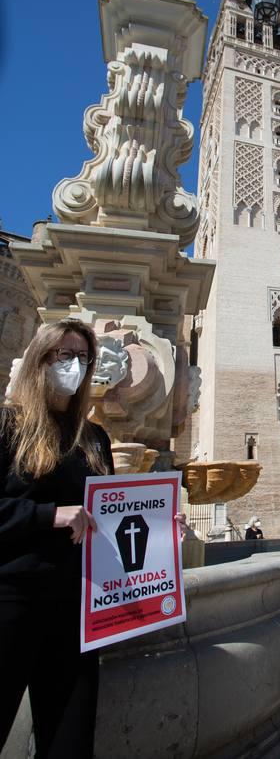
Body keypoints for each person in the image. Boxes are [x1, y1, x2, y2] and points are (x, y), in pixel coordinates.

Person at [0, 319, 113, 758]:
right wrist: (47, 516)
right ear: (39, 360)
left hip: (75, 610)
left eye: (84, 359)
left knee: (70, 743)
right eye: (64, 356)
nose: (75, 366)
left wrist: (161, 528)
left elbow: (108, 515)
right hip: (13, 598)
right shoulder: (9, 427)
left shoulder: (94, 439)